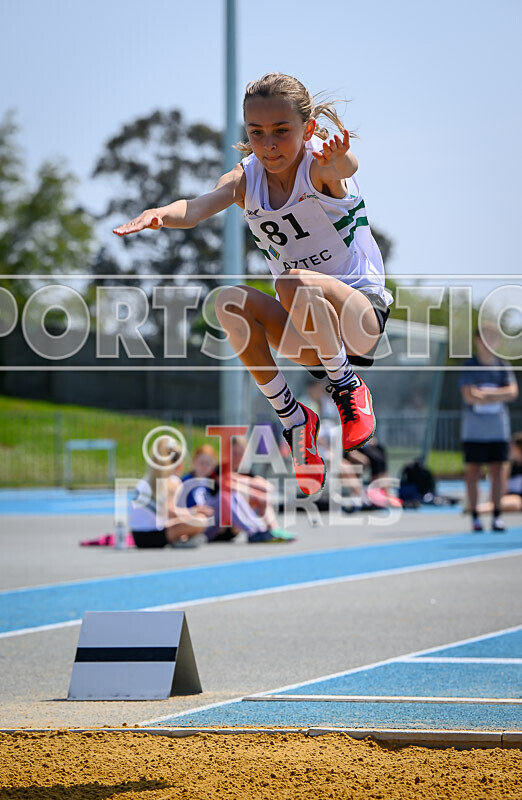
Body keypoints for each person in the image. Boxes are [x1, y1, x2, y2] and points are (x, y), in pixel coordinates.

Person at [114, 72, 392, 496]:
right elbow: (196, 207)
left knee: (293, 282)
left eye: (282, 131)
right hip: (310, 331)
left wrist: (340, 160)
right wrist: (160, 213)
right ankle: (294, 420)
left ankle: (349, 388)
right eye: (257, 133)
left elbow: (345, 167)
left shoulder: (319, 163)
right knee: (228, 302)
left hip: (359, 317)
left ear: (308, 129)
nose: (269, 144)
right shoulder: (246, 178)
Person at [459, 323, 519, 532]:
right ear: (477, 340)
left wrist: (485, 394)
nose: (489, 342)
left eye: (493, 337)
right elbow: (468, 395)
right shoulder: (470, 366)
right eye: (485, 337)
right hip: (474, 431)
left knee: (498, 472)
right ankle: (475, 516)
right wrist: (496, 394)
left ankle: (496, 515)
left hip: (498, 430)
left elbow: (512, 392)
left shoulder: (503, 366)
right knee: (473, 472)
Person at [181, 442, 295, 543]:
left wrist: (243, 481)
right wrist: (194, 511)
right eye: (201, 463)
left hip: (214, 522)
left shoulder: (209, 480)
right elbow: (175, 510)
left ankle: (263, 529)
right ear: (194, 461)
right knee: (224, 496)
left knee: (233, 495)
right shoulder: (186, 482)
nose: (204, 467)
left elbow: (268, 488)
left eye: (208, 464)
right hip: (197, 524)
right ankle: (254, 531)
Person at [129, 436, 211, 548]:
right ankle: (180, 540)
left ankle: (180, 538)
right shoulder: (171, 481)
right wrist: (193, 512)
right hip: (154, 535)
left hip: (137, 536)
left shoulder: (146, 480)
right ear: (179, 464)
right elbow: (171, 512)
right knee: (200, 520)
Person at [475, 432, 522, 515]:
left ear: (518, 449)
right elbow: (502, 488)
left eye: (511, 447)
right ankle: (477, 509)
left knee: (515, 502)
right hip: (509, 498)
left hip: (518, 499)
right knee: (507, 502)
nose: (509, 449)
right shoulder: (508, 466)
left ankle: (477, 509)